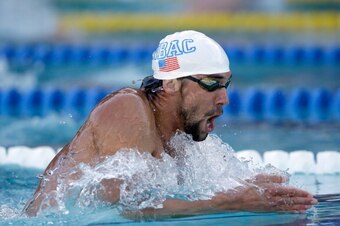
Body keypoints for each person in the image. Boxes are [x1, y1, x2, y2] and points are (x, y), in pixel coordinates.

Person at [24, 30, 317, 218]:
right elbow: (116, 207)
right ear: (172, 83)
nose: (225, 98)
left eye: (227, 84)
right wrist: (226, 202)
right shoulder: (127, 109)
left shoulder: (181, 140)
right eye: (212, 84)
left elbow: (168, 197)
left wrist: (246, 189)